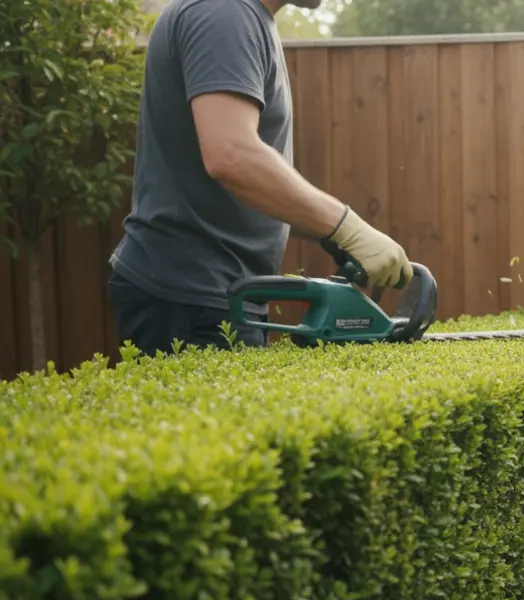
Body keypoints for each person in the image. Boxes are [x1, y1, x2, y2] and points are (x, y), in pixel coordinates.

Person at [107, 0, 412, 356]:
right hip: (190, 299)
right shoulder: (224, 14)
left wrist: (327, 232)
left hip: (210, 295)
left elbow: (243, 177)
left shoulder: (244, 17)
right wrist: (346, 226)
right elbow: (232, 155)